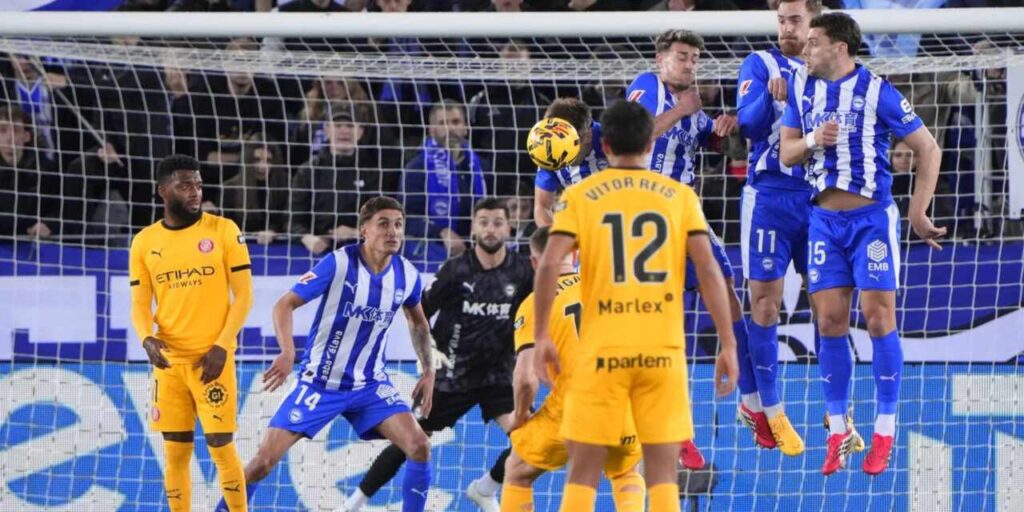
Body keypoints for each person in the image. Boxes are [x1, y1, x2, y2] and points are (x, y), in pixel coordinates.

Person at [533, 100, 739, 512]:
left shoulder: (580, 196)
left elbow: (549, 262)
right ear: (651, 142)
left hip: (600, 350)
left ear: (603, 145)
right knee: (663, 478)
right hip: (660, 353)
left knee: (583, 475)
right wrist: (729, 344)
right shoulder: (678, 195)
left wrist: (541, 337)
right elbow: (710, 272)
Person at [779, 12, 946, 476]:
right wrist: (813, 139)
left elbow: (928, 147)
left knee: (878, 318)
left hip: (872, 220)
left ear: (840, 48)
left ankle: (885, 431)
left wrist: (917, 212)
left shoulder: (877, 90)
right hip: (823, 222)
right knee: (830, 320)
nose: (806, 50)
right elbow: (785, 151)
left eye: (814, 42)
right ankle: (837, 430)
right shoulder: (802, 89)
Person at [214, 196, 437, 512]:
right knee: (263, 462)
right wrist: (288, 351)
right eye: (384, 224)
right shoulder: (339, 263)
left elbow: (417, 321)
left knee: (419, 446)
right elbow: (284, 304)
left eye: (399, 225)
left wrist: (429, 370)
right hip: (320, 384)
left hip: (369, 386)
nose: (393, 232)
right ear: (364, 230)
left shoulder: (407, 274)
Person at [345, 198, 533, 512]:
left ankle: (485, 489)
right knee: (411, 441)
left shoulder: (523, 270)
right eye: (483, 221)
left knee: (531, 441)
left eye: (497, 222)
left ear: (509, 227)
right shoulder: (456, 269)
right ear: (473, 227)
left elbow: (535, 316)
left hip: (499, 376)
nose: (490, 229)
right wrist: (429, 359)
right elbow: (418, 315)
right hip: (452, 378)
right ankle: (355, 501)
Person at [625, 28, 745, 468]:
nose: (690, 64)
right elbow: (634, 140)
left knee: (730, 295)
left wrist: (723, 130)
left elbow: (709, 145)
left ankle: (752, 396)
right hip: (647, 222)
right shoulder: (647, 88)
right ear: (660, 59)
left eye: (695, 57)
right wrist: (681, 109)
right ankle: (674, 433)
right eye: (682, 56)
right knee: (666, 332)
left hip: (686, 214)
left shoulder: (693, 105)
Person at [129, 154, 254, 511]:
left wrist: (222, 346)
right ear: (162, 191)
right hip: (169, 365)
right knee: (175, 452)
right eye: (185, 185)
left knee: (221, 445)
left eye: (198, 184)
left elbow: (244, 295)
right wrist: (145, 337)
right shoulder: (144, 242)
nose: (195, 191)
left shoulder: (223, 230)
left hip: (211, 359)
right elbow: (140, 304)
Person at [500, 226, 645, 512]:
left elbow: (526, 379)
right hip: (624, 402)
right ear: (576, 254)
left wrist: (520, 415)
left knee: (517, 470)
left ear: (534, 263)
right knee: (626, 471)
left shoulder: (534, 305)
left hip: (574, 409)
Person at [733, 0, 823, 456]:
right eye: (782, 21)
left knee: (830, 305)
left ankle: (837, 415)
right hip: (769, 197)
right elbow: (746, 127)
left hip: (821, 198)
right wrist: (771, 97)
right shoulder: (761, 62)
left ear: (815, 22)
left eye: (796, 20)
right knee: (764, 306)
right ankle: (771, 410)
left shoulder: (832, 68)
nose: (787, 28)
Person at [402, 100, 489, 271]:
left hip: (476, 252)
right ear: (431, 130)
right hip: (432, 255)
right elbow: (407, 217)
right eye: (443, 123)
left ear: (466, 127)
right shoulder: (417, 168)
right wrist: (441, 232)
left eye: (455, 122)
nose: (450, 128)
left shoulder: (482, 167)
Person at [290, 107, 383, 255]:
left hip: (360, 250)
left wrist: (355, 232)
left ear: (360, 132)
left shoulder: (372, 172)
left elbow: (382, 218)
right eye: (338, 126)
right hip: (314, 251)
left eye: (350, 126)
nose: (344, 131)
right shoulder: (308, 170)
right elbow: (291, 217)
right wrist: (305, 237)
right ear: (327, 130)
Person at [532, 98, 606, 228]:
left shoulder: (614, 142)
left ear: (587, 136)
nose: (564, 160)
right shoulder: (548, 150)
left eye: (569, 150)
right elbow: (542, 207)